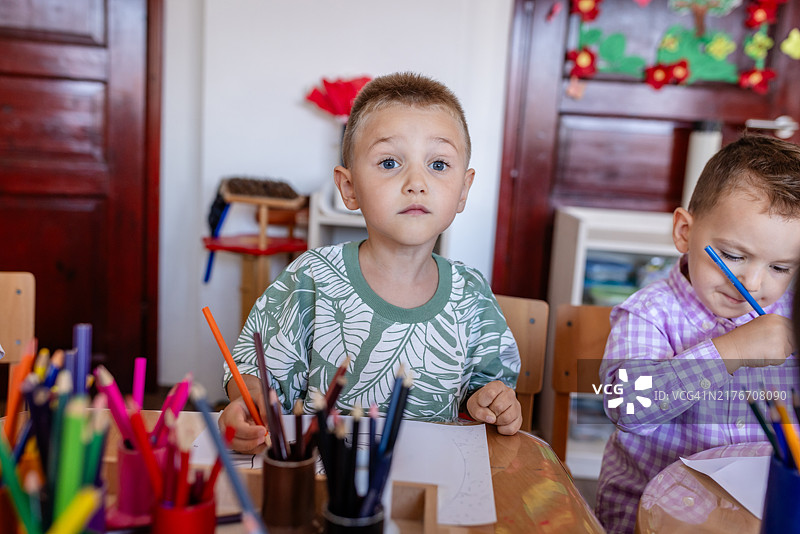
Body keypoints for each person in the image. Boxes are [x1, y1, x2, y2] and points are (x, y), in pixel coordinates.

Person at [218, 72, 522, 453]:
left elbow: (492, 387)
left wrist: (492, 402)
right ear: (349, 188)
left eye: (439, 165)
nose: (416, 181)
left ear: (463, 190)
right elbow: (251, 369)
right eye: (390, 162)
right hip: (322, 489)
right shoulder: (311, 278)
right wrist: (247, 401)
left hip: (432, 487)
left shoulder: (472, 295)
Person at [595, 134, 800, 533]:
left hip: (752, 510)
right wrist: (729, 351)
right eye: (734, 255)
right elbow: (625, 407)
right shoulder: (649, 313)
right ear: (685, 233)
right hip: (647, 515)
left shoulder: (790, 316)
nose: (754, 282)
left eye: (781, 268)